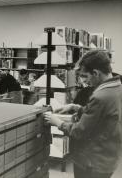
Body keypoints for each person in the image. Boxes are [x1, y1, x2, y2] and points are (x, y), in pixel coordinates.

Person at [44, 50, 122, 178]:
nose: (84, 81)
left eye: (85, 76)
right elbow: (102, 115)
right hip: (108, 158)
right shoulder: (117, 87)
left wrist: (57, 122)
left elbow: (79, 131)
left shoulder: (100, 96)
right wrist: (77, 108)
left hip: (92, 162)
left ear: (96, 73)